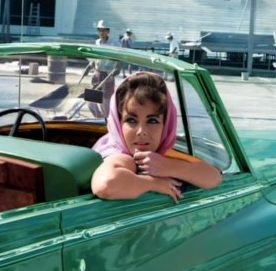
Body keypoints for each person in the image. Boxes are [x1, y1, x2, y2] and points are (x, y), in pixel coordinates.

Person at [91, 72, 223, 201]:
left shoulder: (161, 156)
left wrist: (168, 166)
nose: (141, 131)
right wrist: (153, 183)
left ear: (166, 125)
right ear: (118, 123)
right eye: (131, 120)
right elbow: (106, 185)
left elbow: (214, 178)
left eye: (152, 121)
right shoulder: (120, 156)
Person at [83, 20, 119, 118]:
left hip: (108, 76)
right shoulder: (97, 42)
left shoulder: (115, 44)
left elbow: (120, 60)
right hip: (97, 74)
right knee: (90, 101)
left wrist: (117, 69)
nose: (101, 32)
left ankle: (107, 122)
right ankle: (98, 118)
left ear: (108, 31)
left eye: (103, 30)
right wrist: (89, 66)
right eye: (99, 30)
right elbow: (95, 58)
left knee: (105, 103)